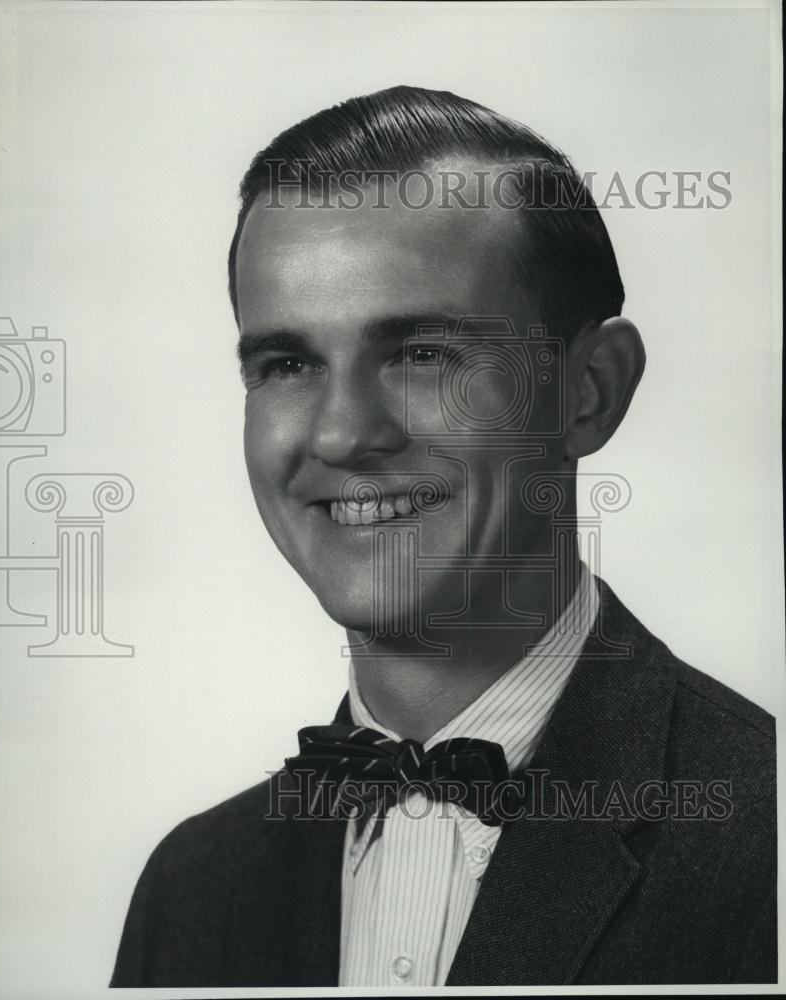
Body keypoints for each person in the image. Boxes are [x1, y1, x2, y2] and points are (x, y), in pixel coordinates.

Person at [110, 86, 776, 987]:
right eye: (289, 363)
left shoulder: (764, 839)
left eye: (422, 354)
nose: (342, 435)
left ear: (589, 391)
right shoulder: (191, 889)